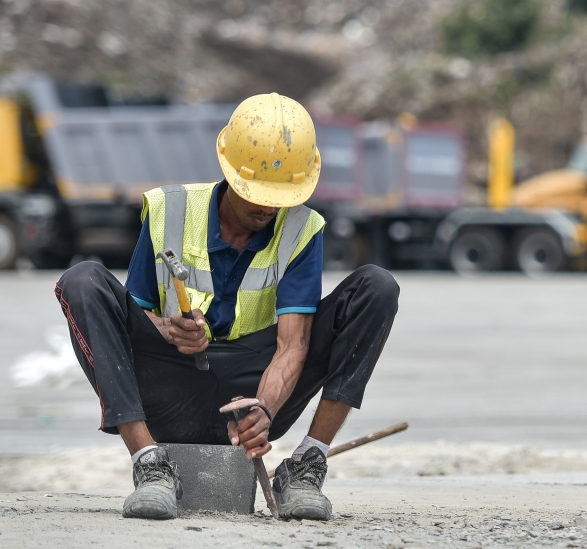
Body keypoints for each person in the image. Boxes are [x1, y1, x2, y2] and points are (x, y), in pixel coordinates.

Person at [54, 93, 399, 521]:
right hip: (170, 382)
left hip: (255, 385)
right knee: (82, 281)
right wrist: (167, 329)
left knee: (377, 288)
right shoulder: (169, 211)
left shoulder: (302, 229)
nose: (268, 206)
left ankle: (307, 465)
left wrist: (266, 407)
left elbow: (294, 345)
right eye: (257, 192)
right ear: (229, 171)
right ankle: (149, 462)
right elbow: (136, 316)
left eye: (280, 195)